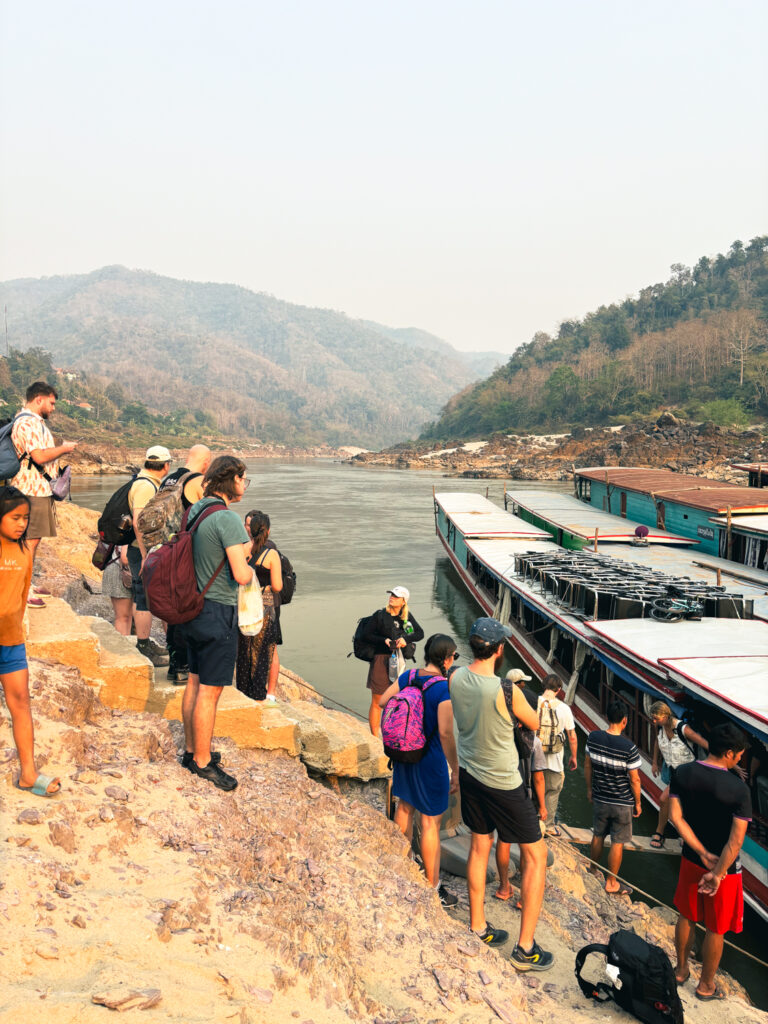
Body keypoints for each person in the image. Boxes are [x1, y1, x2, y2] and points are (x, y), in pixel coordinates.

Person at [450, 617, 553, 971]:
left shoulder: (456, 676)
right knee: (536, 856)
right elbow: (536, 724)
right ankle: (526, 949)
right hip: (505, 782)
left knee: (480, 844)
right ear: (498, 650)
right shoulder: (507, 691)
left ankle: (477, 926)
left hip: (470, 774)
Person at [181, 455, 253, 791]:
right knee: (210, 691)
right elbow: (240, 573)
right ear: (232, 480)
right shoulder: (228, 518)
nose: (244, 485)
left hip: (192, 607)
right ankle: (203, 763)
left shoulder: (197, 510)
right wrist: (252, 568)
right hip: (218, 611)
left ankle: (192, 749)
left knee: (194, 682)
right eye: (243, 479)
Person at [377, 633, 460, 908]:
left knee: (404, 808)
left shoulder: (409, 675)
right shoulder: (443, 689)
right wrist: (455, 769)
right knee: (430, 824)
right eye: (454, 657)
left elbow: (382, 702)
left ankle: (402, 867)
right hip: (430, 761)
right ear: (447, 659)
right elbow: (447, 734)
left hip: (404, 754)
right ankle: (432, 887)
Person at [669, 723, 751, 1001]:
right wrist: (717, 872)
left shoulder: (683, 773)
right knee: (716, 928)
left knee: (687, 915)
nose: (740, 758)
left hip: (691, 859)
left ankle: (680, 972)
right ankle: (706, 987)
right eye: (739, 754)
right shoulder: (739, 790)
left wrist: (701, 852)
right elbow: (735, 841)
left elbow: (676, 818)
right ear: (729, 753)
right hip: (725, 870)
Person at [0, 486, 61, 796]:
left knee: (21, 702)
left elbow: (22, 596)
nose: (22, 524)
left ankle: (28, 773)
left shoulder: (24, 551)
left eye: (25, 517)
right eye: (14, 517)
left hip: (11, 641)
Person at [9, 382, 77, 605]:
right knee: (29, 540)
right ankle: (22, 589)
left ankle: (26, 583)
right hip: (30, 489)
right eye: (51, 403)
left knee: (31, 540)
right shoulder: (27, 423)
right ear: (39, 399)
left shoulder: (33, 422)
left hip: (37, 488)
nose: (54, 408)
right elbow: (38, 457)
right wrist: (64, 448)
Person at [161, 445, 212, 683]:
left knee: (174, 612)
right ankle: (183, 666)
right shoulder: (198, 481)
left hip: (165, 550)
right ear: (206, 461)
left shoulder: (169, 479)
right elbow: (211, 513)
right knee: (185, 610)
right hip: (184, 551)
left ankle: (175, 664)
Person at [584, 701, 642, 894]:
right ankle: (611, 882)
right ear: (624, 721)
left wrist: (590, 789)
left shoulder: (593, 737)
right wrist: (638, 803)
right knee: (618, 841)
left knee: (598, 834)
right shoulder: (629, 747)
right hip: (622, 802)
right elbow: (634, 779)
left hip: (601, 797)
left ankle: (592, 870)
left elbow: (587, 766)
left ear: (607, 717)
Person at [127, 445, 172, 666]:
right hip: (142, 549)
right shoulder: (145, 486)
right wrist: (146, 555)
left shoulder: (147, 482)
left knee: (147, 595)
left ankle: (145, 643)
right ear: (165, 465)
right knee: (143, 596)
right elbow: (139, 522)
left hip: (144, 549)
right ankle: (143, 646)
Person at [361, 587, 424, 736]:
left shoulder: (406, 618)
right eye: (391, 595)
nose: (392, 597)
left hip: (398, 660)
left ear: (403, 601)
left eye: (396, 596)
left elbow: (420, 633)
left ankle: (391, 732)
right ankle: (375, 736)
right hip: (381, 659)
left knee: (396, 698)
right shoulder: (380, 615)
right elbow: (366, 635)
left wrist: (405, 639)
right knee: (377, 700)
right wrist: (385, 640)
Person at [236, 511, 283, 703]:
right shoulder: (271, 554)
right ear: (268, 530)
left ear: (250, 529)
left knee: (244, 649)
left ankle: (243, 690)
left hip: (244, 605)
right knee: (264, 650)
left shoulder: (242, 549)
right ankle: (259, 693)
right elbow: (278, 586)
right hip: (264, 607)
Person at [495, 734, 547, 906]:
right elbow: (538, 778)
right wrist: (542, 805)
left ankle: (504, 887)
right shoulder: (534, 742)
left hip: (502, 792)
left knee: (504, 839)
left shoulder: (502, 735)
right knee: (528, 845)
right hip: (524, 795)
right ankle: (524, 897)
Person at [649, 700, 708, 849]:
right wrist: (655, 762)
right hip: (675, 772)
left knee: (669, 800)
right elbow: (658, 742)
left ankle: (673, 833)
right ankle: (664, 831)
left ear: (665, 716)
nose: (654, 721)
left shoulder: (682, 728)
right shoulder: (661, 727)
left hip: (689, 772)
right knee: (672, 802)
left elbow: (703, 743)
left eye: (656, 718)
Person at [537, 675, 578, 837]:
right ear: (559, 690)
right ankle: (548, 826)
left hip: (535, 758)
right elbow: (572, 736)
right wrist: (573, 756)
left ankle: (533, 821)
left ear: (543, 686)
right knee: (552, 792)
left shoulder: (534, 702)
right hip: (555, 760)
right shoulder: (564, 708)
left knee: (534, 789)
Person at [101, 544, 133, 635]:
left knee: (127, 616)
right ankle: (122, 647)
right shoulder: (128, 530)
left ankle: (127, 645)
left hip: (124, 572)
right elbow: (124, 558)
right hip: (119, 571)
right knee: (123, 617)